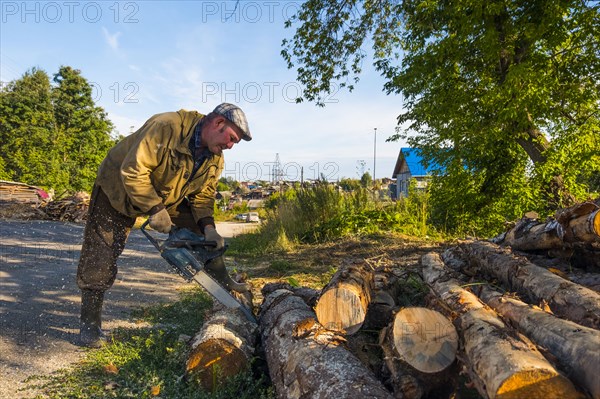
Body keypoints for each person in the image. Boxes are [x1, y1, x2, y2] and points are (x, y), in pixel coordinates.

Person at [76, 103, 252, 347]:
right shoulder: (166, 126)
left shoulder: (214, 158)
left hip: (165, 193)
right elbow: (133, 171)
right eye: (231, 138)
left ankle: (225, 285)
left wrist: (208, 228)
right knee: (102, 252)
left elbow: (203, 196)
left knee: (205, 238)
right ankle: (89, 326)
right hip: (116, 188)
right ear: (218, 123)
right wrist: (155, 209)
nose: (230, 146)